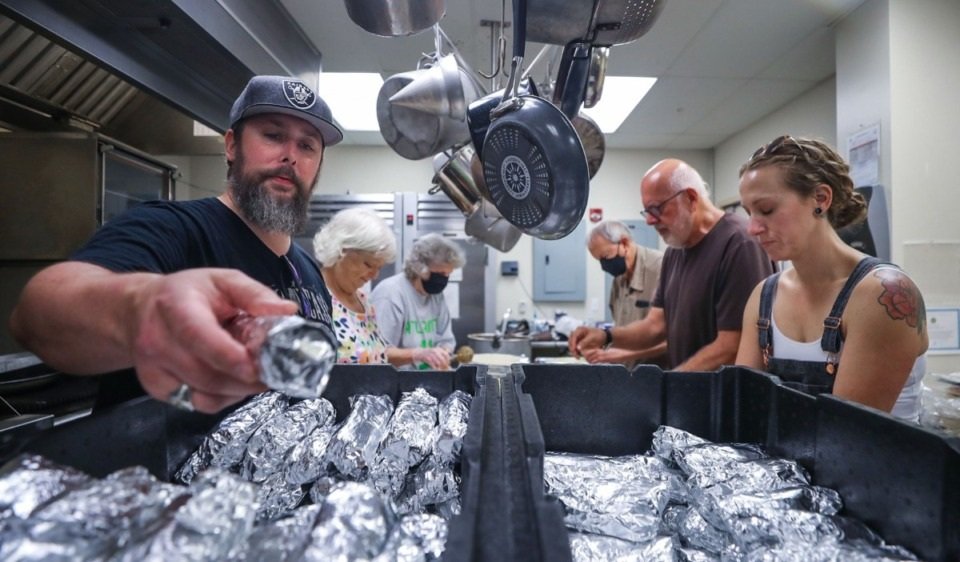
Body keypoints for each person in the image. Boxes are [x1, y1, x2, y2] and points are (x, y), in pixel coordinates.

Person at [9, 75, 342, 414]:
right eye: (273, 136)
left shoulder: (308, 271)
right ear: (231, 145)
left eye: (307, 146)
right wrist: (144, 308)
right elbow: (41, 311)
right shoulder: (170, 229)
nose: (290, 156)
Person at [736, 135, 927, 420]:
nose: (752, 228)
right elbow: (744, 407)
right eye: (748, 213)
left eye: (766, 210)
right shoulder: (764, 296)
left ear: (821, 199)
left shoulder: (881, 294)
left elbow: (845, 437)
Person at [569, 159, 775, 370]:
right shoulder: (674, 254)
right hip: (687, 394)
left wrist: (672, 382)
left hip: (723, 398)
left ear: (690, 198)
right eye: (647, 212)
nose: (650, 221)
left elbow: (733, 345)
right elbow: (654, 326)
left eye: (656, 209)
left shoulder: (739, 245)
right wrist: (605, 336)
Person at [313, 207, 397, 364]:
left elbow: (377, 354)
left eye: (379, 268)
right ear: (341, 250)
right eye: (368, 264)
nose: (375, 275)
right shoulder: (313, 298)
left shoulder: (364, 301)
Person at [370, 233, 465, 370]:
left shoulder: (436, 296)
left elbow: (446, 340)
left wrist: (442, 354)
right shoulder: (390, 294)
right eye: (441, 274)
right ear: (420, 268)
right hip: (398, 383)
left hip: (426, 380)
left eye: (448, 275)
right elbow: (378, 353)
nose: (444, 280)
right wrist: (417, 354)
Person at [584, 220, 668, 368]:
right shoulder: (619, 279)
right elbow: (621, 328)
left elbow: (674, 339)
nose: (604, 266)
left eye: (606, 256)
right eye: (599, 260)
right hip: (628, 375)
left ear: (624, 243)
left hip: (658, 375)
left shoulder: (662, 268)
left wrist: (625, 354)